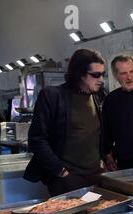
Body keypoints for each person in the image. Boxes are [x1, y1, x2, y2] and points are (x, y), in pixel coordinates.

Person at [24, 49, 107, 196]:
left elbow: (96, 133)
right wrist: (61, 172)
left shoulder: (97, 96)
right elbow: (36, 139)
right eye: (96, 75)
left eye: (102, 74)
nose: (101, 80)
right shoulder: (53, 96)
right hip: (67, 178)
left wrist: (102, 161)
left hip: (95, 174)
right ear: (80, 74)